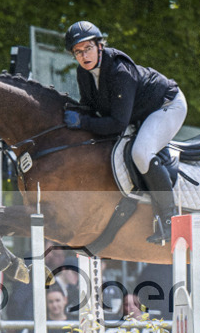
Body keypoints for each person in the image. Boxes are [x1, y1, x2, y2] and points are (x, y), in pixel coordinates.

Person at [63, 20, 188, 245]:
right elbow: (89, 107)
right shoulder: (83, 72)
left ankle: (170, 219)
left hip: (167, 106)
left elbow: (117, 124)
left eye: (88, 48)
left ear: (100, 46)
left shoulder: (120, 71)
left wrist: (82, 122)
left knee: (141, 153)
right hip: (138, 112)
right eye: (78, 52)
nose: (84, 56)